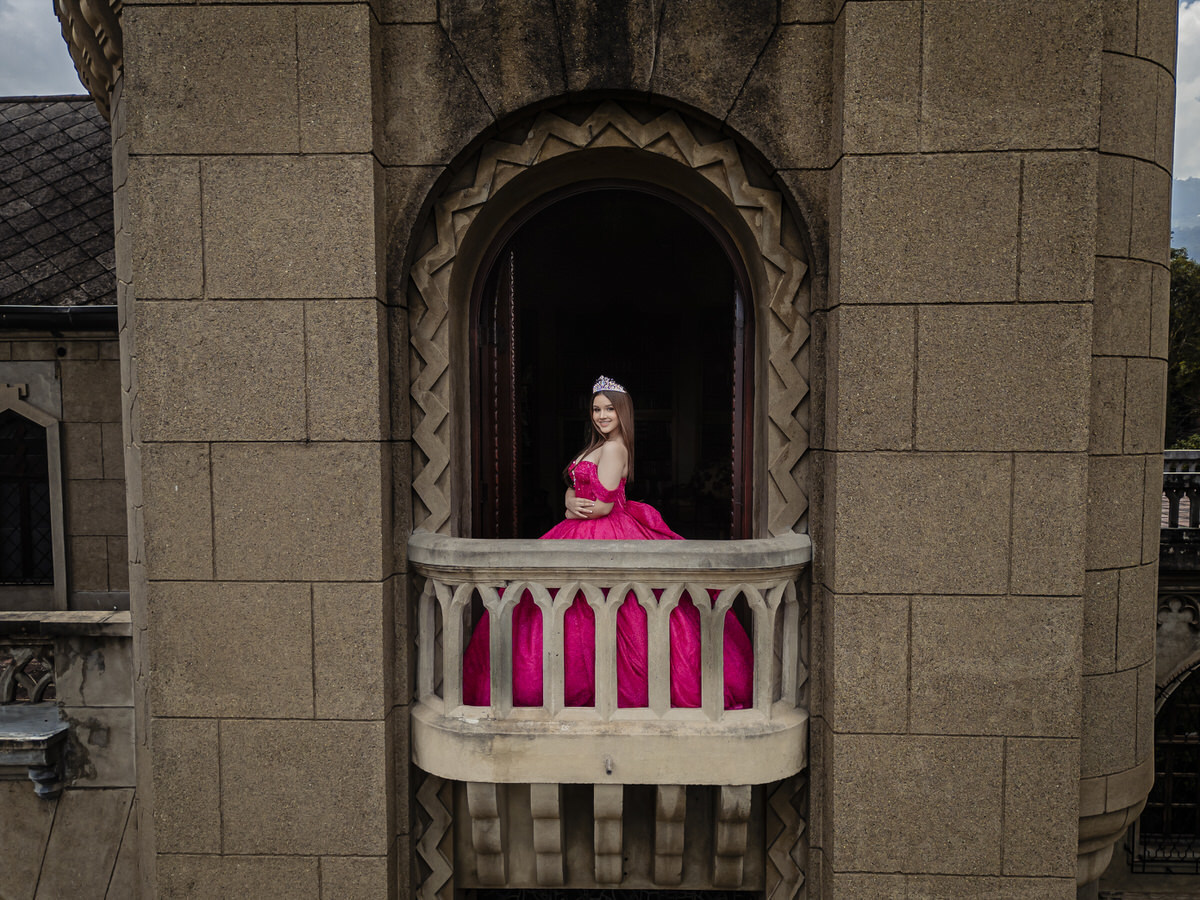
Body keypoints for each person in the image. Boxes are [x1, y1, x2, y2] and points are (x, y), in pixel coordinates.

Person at [462, 376, 754, 709]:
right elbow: (574, 487)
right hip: (585, 528)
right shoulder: (596, 445)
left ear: (623, 412)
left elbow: (600, 506)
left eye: (609, 409)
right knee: (572, 606)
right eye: (597, 409)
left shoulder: (615, 447)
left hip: (606, 529)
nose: (602, 415)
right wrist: (570, 498)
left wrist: (571, 509)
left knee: (615, 609)